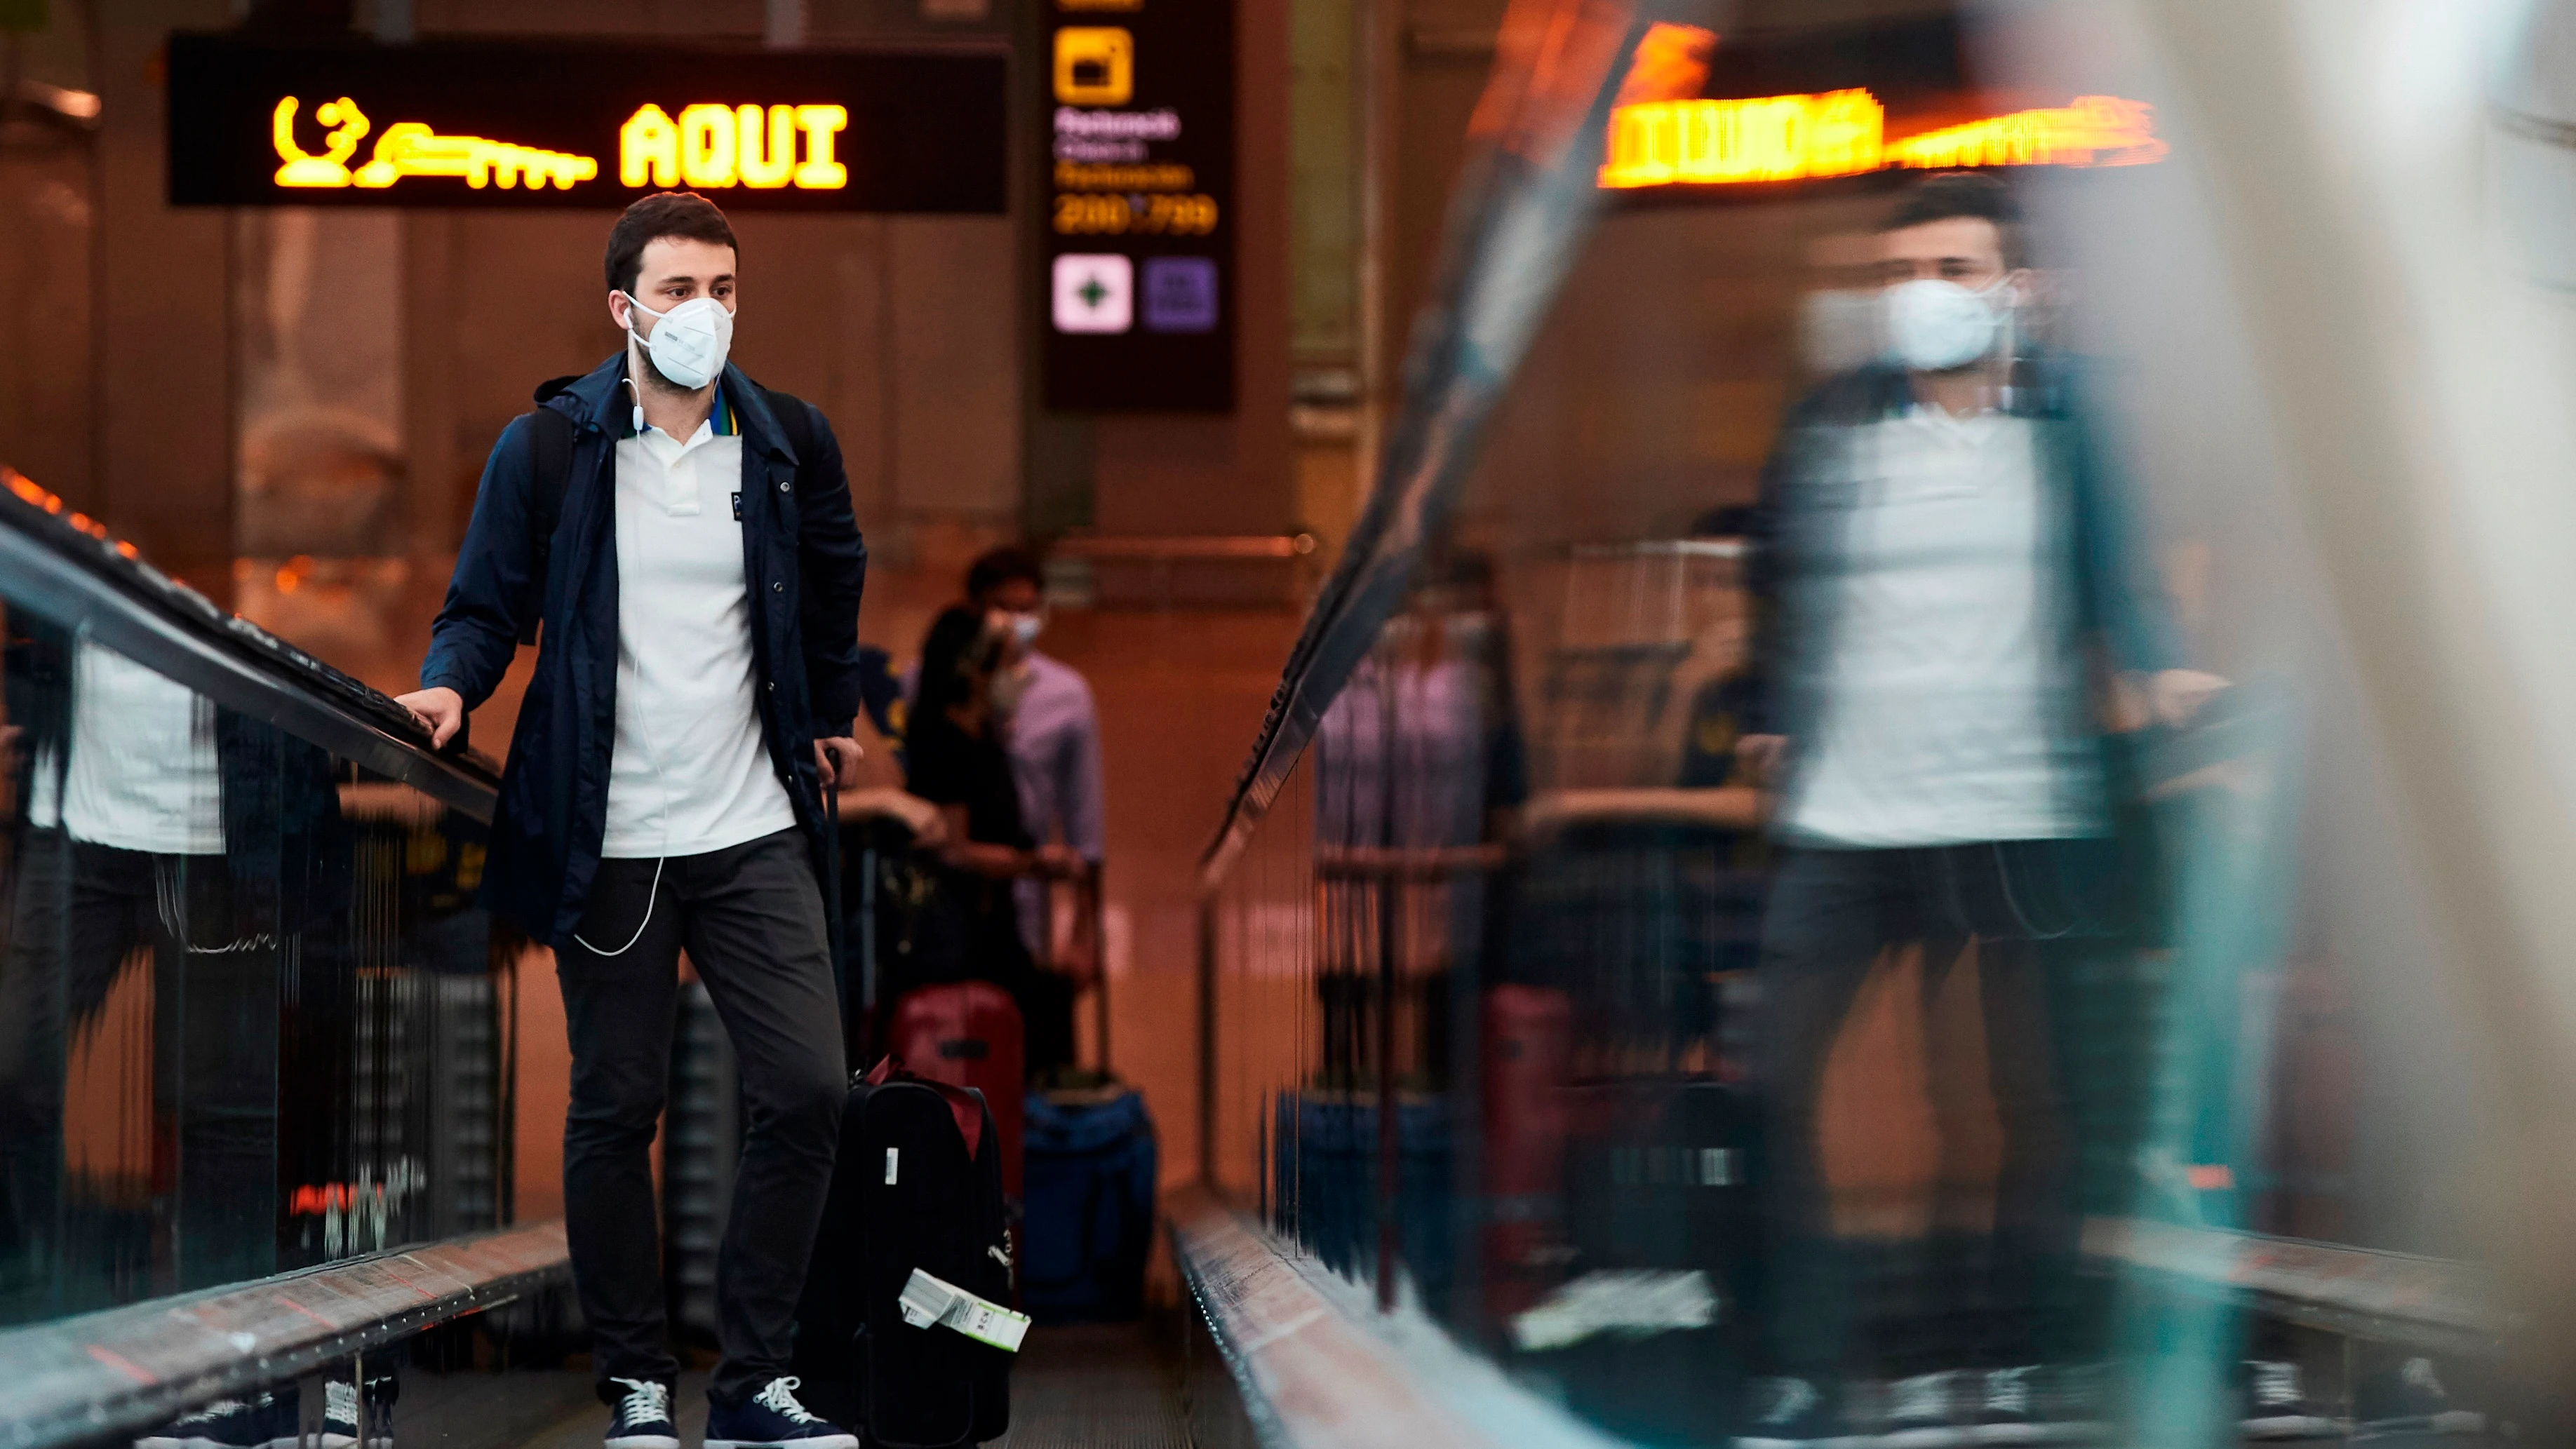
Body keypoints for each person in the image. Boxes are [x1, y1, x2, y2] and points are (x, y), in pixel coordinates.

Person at [1729, 173, 2225, 1447]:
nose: (1924, 295)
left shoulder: (2070, 421)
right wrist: (1767, 710)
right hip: (1849, 814)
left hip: (2016, 806)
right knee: (1776, 1076)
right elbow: (1779, 572)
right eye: (1905, 272)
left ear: (2009, 285)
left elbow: (2115, 564)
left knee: (2029, 1098)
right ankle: (1803, 1365)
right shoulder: (1830, 419)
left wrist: (2155, 658)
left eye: (1953, 268)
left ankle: (2026, 1359)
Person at [395, 192, 866, 1449]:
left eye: (720, 287)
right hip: (610, 839)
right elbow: (483, 603)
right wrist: (448, 686)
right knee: (615, 1109)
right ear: (623, 309)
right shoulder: (545, 449)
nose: (701, 311)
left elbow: (832, 582)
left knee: (810, 1090)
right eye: (675, 290)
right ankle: (638, 1379)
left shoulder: (785, 444)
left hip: (753, 825)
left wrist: (831, 706)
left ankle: (756, 1376)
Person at [901, 605, 1085, 1070]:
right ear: (974, 671)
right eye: (1007, 663)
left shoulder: (987, 736)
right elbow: (953, 850)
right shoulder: (942, 741)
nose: (1018, 676)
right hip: (961, 941)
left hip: (996, 927)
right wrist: (1034, 864)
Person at [960, 547, 1107, 990]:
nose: (1015, 622)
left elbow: (1087, 828)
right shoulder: (930, 680)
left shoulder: (1068, 694)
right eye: (1003, 608)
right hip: (955, 890)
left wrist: (1083, 935)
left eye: (1027, 610)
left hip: (1028, 900)